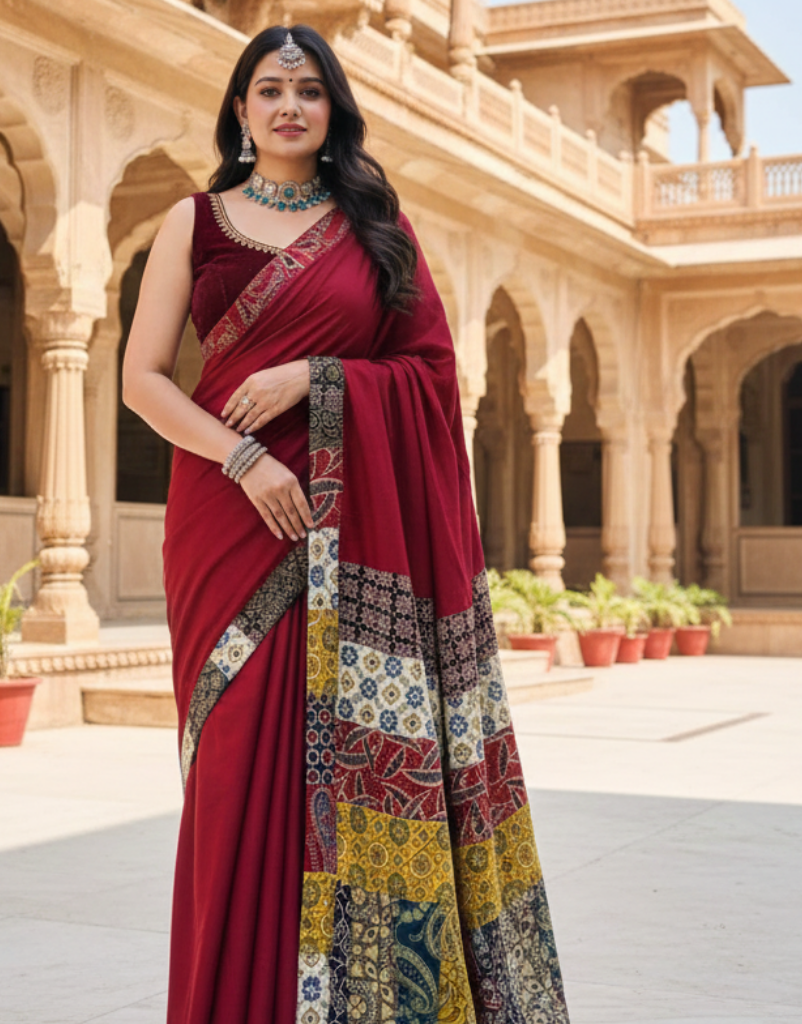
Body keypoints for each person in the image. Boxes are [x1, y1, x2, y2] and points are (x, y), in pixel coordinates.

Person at [122, 23, 570, 1024]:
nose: (289, 106)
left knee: (346, 763)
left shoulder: (376, 228)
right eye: (270, 89)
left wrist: (313, 380)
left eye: (310, 90)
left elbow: (427, 378)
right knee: (238, 773)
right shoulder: (191, 223)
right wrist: (241, 456)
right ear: (239, 109)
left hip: (350, 527)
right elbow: (143, 381)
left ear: (333, 110)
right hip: (228, 523)